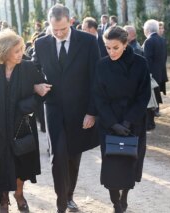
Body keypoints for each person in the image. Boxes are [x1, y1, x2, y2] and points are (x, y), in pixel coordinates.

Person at [0, 29, 48, 213]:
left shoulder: (28, 68)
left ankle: (19, 194)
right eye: (17, 50)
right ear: (4, 52)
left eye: (22, 49)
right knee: (1, 166)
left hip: (22, 127)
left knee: (21, 166)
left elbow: (44, 91)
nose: (22, 53)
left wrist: (28, 101)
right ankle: (3, 200)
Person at [32, 4, 100, 213]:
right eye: (55, 29)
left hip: (80, 111)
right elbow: (34, 69)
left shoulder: (88, 42)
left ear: (71, 22)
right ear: (49, 24)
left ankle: (69, 195)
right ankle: (61, 202)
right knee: (57, 155)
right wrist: (37, 85)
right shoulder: (41, 43)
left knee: (73, 156)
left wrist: (92, 111)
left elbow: (96, 78)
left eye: (62, 29)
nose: (59, 33)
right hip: (53, 109)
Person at [94, 26, 150, 213]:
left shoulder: (141, 63)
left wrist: (127, 121)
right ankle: (115, 203)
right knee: (110, 166)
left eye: (115, 47)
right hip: (109, 124)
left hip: (133, 123)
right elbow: (99, 97)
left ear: (125, 44)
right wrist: (113, 123)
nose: (111, 52)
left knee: (129, 164)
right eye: (108, 48)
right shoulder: (102, 65)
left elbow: (144, 95)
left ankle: (124, 197)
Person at [143, 19, 167, 130]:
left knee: (149, 99)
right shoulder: (162, 40)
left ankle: (149, 123)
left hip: (150, 74)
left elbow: (147, 60)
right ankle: (151, 122)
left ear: (147, 29)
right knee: (154, 99)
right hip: (159, 73)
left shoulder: (149, 41)